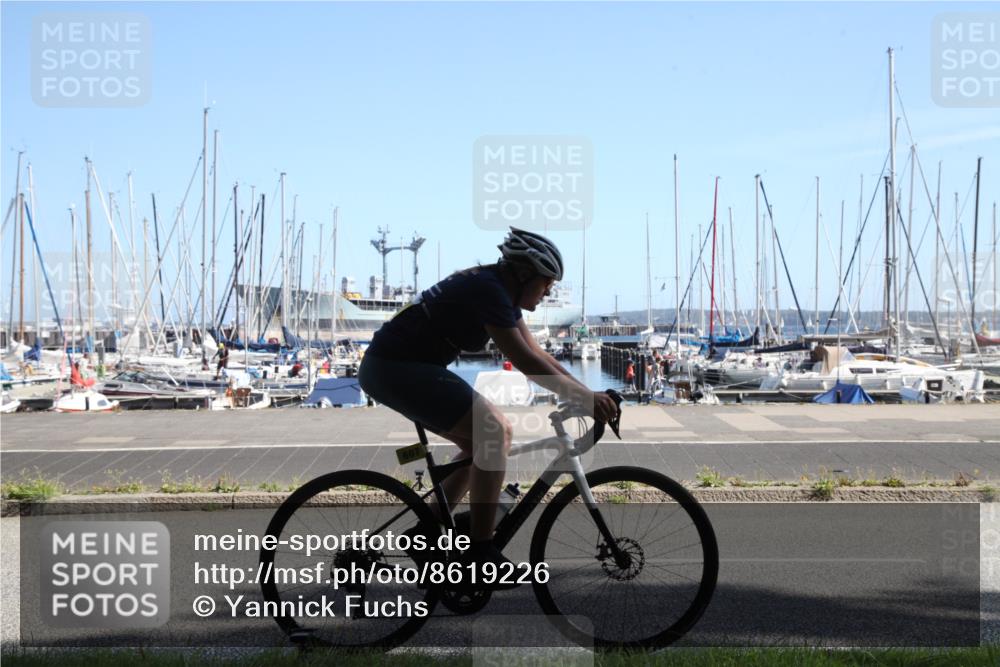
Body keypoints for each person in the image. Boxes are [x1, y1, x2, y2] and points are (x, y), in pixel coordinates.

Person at [358, 227, 618, 580]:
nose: (549, 291)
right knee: (494, 432)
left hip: (401, 366)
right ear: (523, 273)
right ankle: (481, 552)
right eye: (546, 282)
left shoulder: (500, 291)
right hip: (393, 367)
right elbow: (524, 362)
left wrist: (589, 395)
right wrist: (585, 398)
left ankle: (426, 533)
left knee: (476, 445)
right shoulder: (488, 290)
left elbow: (537, 354)